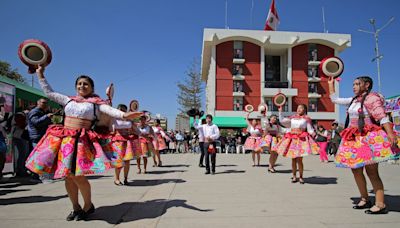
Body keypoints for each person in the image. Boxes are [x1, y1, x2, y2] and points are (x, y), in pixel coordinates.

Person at [25, 65, 141, 221]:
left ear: (92, 87)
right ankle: (75, 207)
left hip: (81, 142)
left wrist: (126, 115)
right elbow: (49, 92)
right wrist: (40, 74)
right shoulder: (68, 100)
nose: (82, 86)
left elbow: (112, 112)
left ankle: (88, 205)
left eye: (85, 84)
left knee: (78, 176)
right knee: (67, 176)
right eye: (79, 84)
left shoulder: (96, 103)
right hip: (65, 141)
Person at [328, 76, 399, 214]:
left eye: (357, 84)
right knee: (356, 169)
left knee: (371, 171)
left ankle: (380, 203)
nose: (353, 86)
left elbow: (381, 116)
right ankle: (365, 198)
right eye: (353, 84)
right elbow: (335, 100)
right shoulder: (354, 100)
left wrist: (390, 133)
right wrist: (331, 85)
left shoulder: (372, 98)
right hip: (354, 139)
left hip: (368, 138)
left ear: (367, 85)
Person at [275, 105, 319, 184]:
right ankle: (294, 176)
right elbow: (282, 121)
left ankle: (301, 177)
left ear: (304, 110)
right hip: (292, 139)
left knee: (299, 160)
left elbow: (310, 129)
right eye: (298, 108)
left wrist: (314, 134)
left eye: (301, 108)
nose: (299, 109)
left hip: (301, 140)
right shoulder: (292, 117)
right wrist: (280, 111)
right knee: (293, 159)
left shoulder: (306, 119)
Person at [110, 104, 141, 186]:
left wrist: (135, 132)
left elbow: (137, 131)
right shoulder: (113, 119)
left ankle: (126, 179)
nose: (122, 111)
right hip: (117, 141)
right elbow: (110, 130)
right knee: (119, 161)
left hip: (127, 141)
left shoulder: (129, 120)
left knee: (127, 161)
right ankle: (117, 179)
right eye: (121, 109)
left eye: (124, 109)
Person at [11, 111, 30, 177]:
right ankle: (20, 171)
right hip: (19, 136)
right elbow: (21, 125)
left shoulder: (19, 115)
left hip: (18, 136)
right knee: (22, 155)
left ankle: (19, 171)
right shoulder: (20, 115)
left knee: (21, 155)